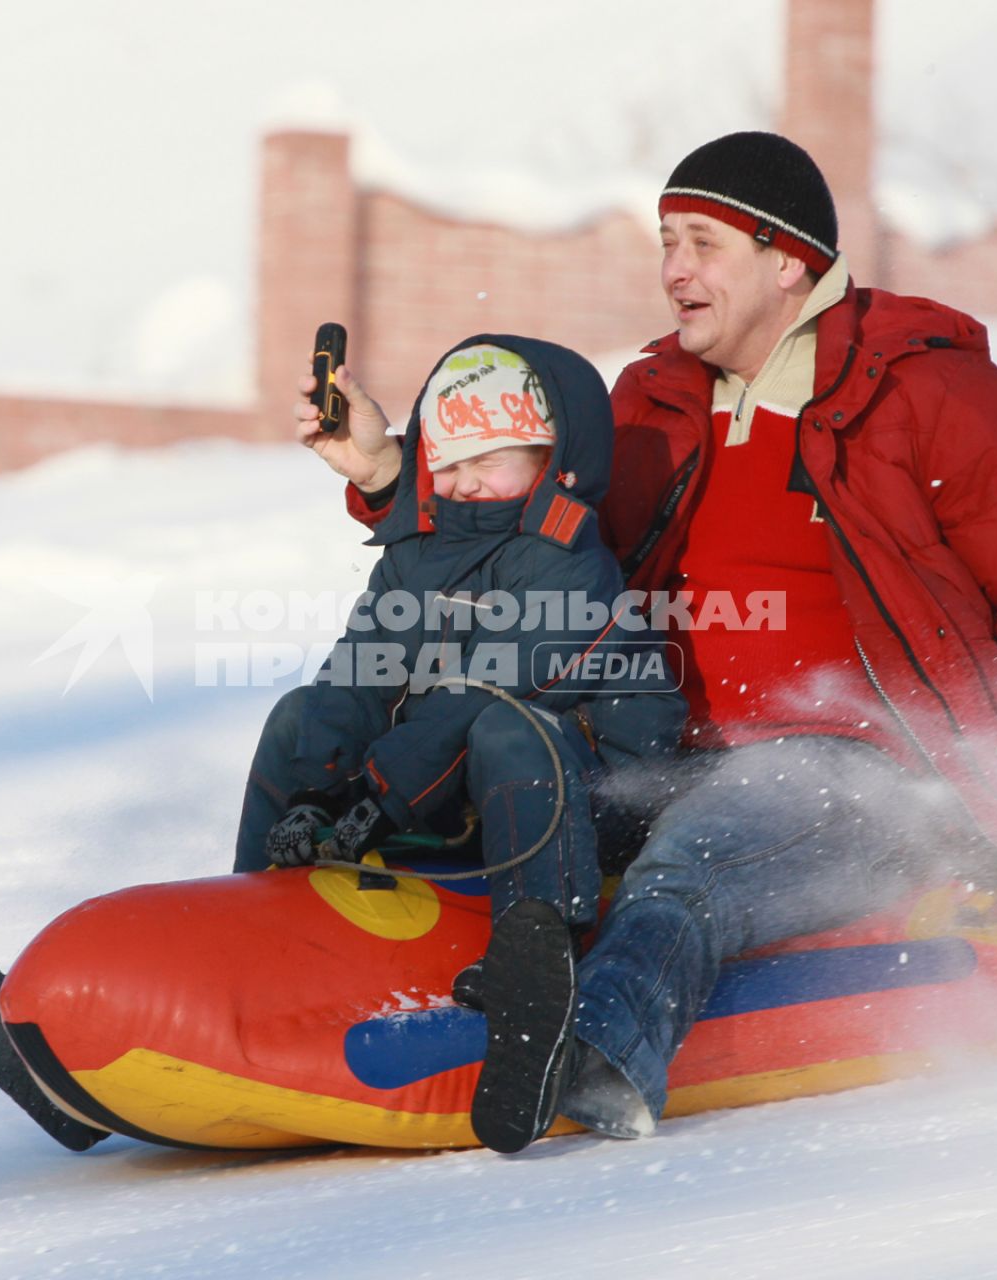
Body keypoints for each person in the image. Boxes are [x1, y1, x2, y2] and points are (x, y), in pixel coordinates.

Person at [299, 132, 997, 1144]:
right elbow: (534, 559)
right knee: (466, 786)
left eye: (702, 243)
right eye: (666, 242)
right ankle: (299, 987)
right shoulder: (653, 402)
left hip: (863, 769)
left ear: (788, 262)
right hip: (656, 745)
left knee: (689, 864)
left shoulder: (935, 398)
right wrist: (385, 474)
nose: (674, 269)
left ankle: (586, 1063)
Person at [237, 335, 685, 1153]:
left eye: (491, 458)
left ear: (553, 458)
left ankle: (536, 987)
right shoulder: (418, 556)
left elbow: (487, 695)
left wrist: (376, 796)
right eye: (446, 462)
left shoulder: (569, 565)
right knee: (304, 714)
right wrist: (317, 790)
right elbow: (361, 675)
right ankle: (250, 936)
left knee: (506, 728)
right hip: (461, 786)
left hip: (602, 795)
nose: (465, 481)